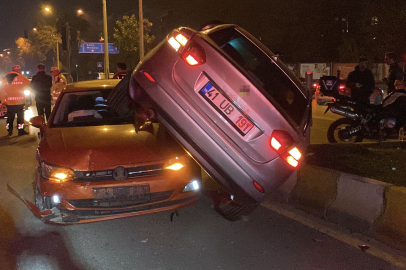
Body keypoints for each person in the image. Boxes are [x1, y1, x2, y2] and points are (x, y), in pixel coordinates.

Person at [0, 65, 30, 136]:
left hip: (10, 103)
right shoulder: (21, 77)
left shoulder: (5, 78)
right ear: (19, 70)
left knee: (10, 118)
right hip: (20, 102)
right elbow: (29, 84)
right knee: (20, 117)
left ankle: (9, 131)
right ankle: (20, 130)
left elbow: (2, 90)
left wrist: (3, 100)